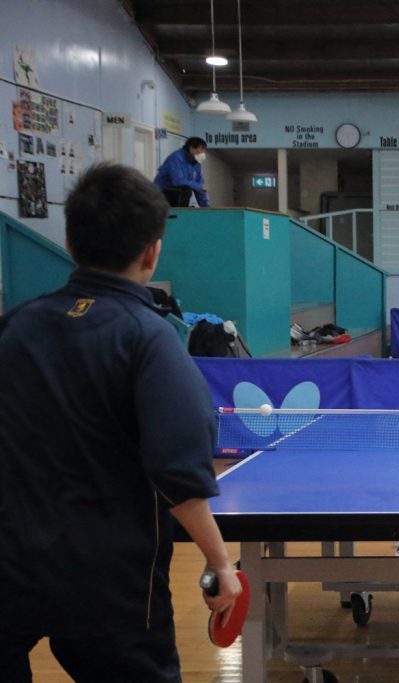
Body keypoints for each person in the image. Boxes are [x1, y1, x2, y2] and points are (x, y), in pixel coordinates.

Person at [0, 163, 241, 682]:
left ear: (69, 241)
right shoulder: (147, 338)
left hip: (9, 564)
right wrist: (221, 563)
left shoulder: (15, 326)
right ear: (152, 252)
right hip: (108, 582)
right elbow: (178, 469)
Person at [154, 137, 210, 207]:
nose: (203, 154)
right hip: (161, 194)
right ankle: (182, 213)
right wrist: (198, 186)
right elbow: (178, 181)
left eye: (204, 152)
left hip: (176, 194)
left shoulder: (196, 163)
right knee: (186, 189)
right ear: (191, 149)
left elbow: (200, 186)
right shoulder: (176, 158)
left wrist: (206, 207)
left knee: (192, 188)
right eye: (200, 151)